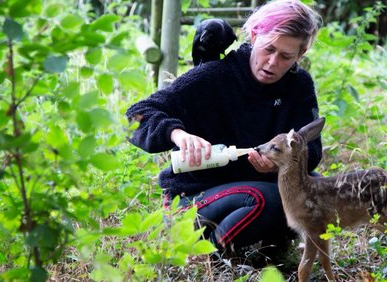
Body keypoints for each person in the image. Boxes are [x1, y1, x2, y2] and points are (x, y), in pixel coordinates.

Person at [126, 0, 323, 262]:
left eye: (286, 56)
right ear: (254, 36)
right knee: (271, 199)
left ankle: (269, 253)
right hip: (193, 198)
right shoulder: (213, 76)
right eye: (268, 49)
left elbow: (312, 150)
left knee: (316, 190)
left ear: (301, 54)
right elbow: (136, 115)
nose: (273, 62)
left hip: (254, 190)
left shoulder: (298, 85)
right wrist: (178, 134)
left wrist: (277, 165)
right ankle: (211, 255)